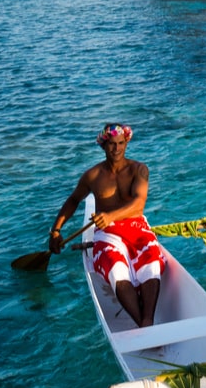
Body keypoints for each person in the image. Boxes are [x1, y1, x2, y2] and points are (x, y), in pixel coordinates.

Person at [49, 123, 166, 327]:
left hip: (136, 227)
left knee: (151, 264)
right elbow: (73, 200)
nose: (117, 149)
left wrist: (110, 215)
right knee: (116, 269)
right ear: (103, 145)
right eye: (112, 144)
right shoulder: (92, 176)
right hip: (107, 233)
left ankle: (148, 319)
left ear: (126, 143)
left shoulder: (139, 170)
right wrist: (56, 230)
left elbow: (138, 204)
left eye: (121, 143)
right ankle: (143, 324)